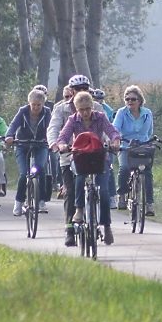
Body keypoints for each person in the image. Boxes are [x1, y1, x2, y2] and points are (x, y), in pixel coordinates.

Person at [55, 90, 121, 246]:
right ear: (76, 109)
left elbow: (112, 131)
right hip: (80, 157)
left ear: (92, 107)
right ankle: (79, 209)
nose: (85, 112)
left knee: (104, 192)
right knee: (79, 176)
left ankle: (107, 226)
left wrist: (115, 141)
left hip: (99, 157)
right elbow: (62, 136)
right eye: (81, 109)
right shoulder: (73, 120)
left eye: (87, 109)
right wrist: (63, 145)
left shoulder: (100, 117)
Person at [6, 85, 53, 216]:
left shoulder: (47, 112)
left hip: (41, 144)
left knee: (40, 168)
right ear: (29, 103)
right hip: (23, 144)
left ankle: (42, 200)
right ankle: (19, 203)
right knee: (23, 174)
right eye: (34, 105)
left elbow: (51, 127)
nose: (36, 108)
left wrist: (53, 140)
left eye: (39, 105)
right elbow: (13, 125)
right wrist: (9, 136)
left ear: (43, 104)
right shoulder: (23, 111)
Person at [47, 73, 92, 209]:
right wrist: (54, 144)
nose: (82, 92)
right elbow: (53, 127)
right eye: (78, 89)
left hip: (92, 153)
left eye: (85, 88)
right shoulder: (61, 108)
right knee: (71, 191)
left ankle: (100, 222)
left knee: (100, 189)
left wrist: (112, 142)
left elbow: (107, 127)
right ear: (72, 91)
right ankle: (70, 225)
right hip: (69, 154)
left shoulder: (96, 107)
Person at [112, 85, 155, 214]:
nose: (130, 101)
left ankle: (149, 204)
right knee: (124, 167)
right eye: (127, 99)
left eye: (133, 99)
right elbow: (115, 128)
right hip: (126, 146)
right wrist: (116, 139)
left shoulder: (147, 113)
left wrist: (148, 141)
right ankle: (122, 196)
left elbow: (150, 131)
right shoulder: (121, 112)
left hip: (143, 146)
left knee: (147, 172)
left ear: (140, 101)